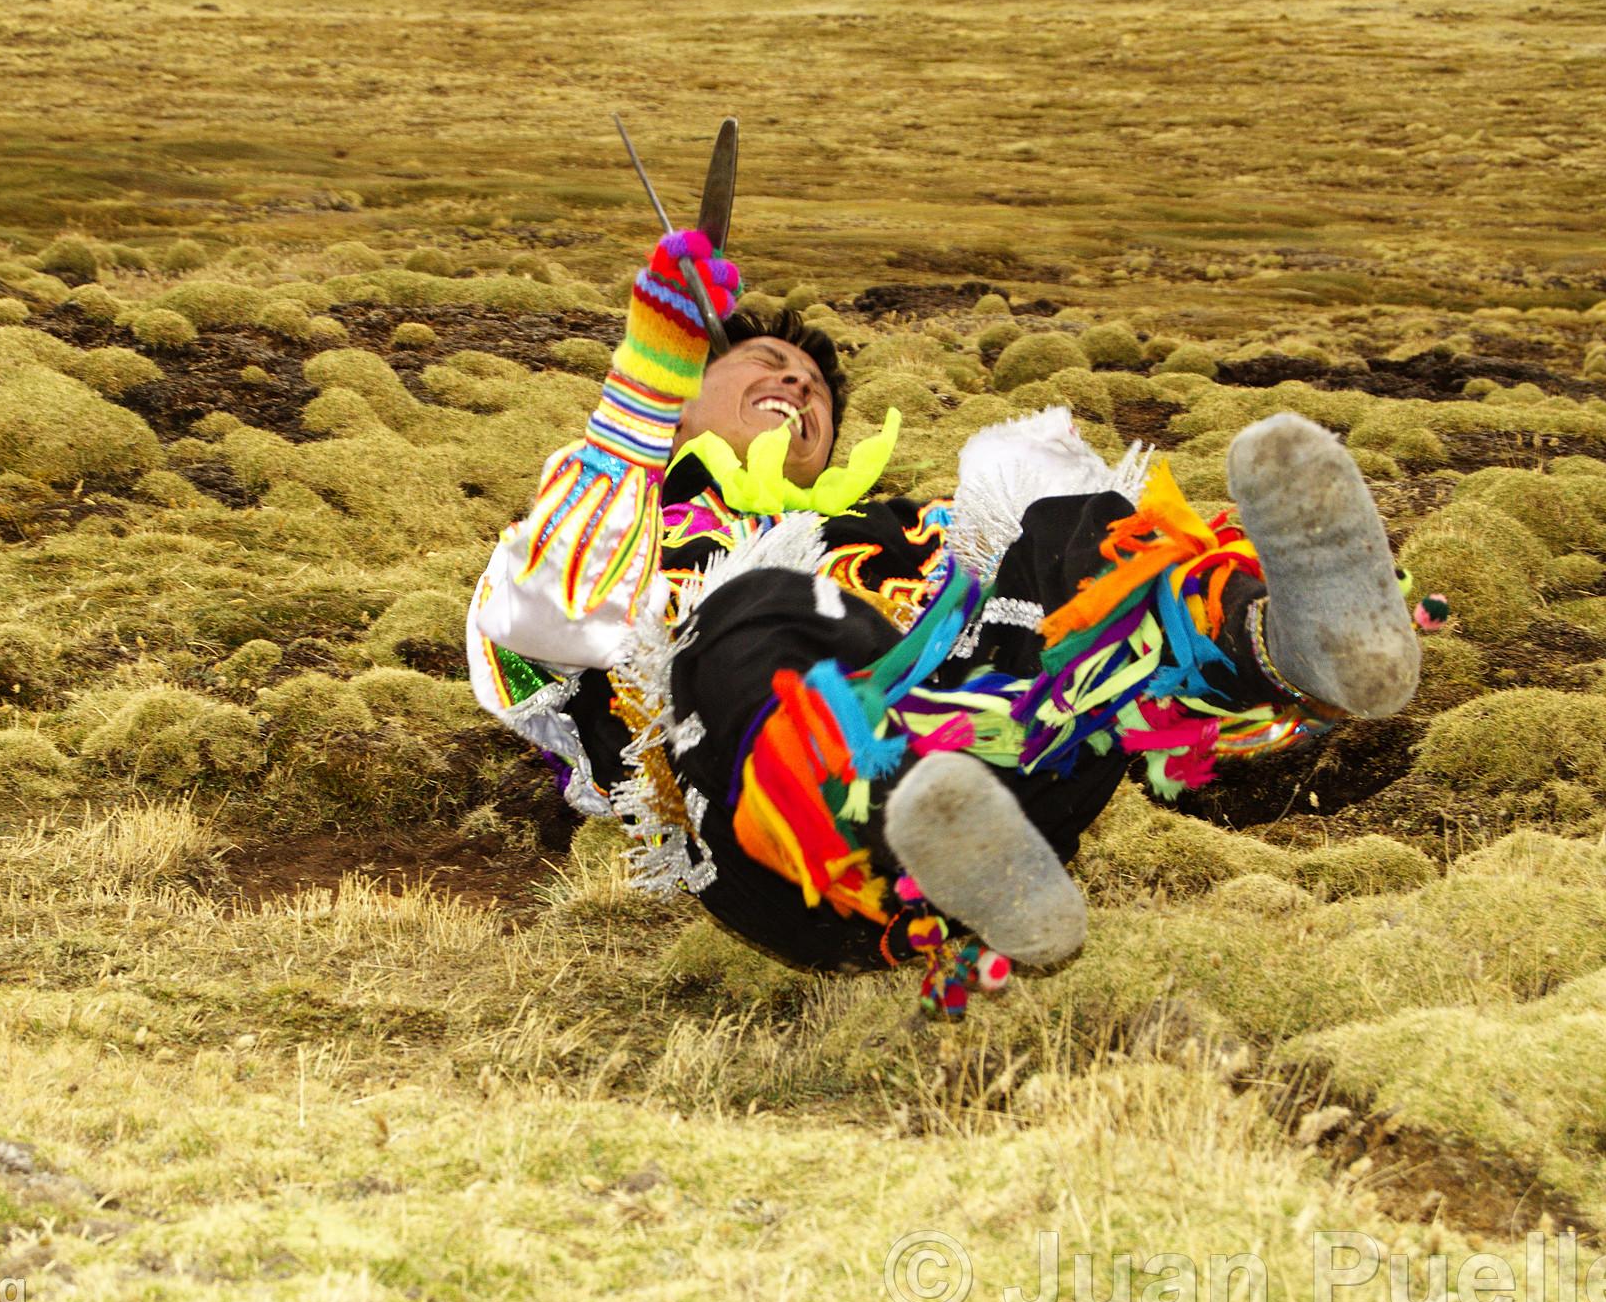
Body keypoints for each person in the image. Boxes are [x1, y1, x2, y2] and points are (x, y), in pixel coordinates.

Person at [466, 229, 1433, 1014]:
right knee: (764, 600)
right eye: (766, 363)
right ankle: (902, 821)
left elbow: (1055, 585)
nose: (799, 385)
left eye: (814, 389)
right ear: (678, 404)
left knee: (1071, 531)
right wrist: (644, 374)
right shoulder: (628, 515)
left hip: (1007, 803)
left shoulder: (916, 537)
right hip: (788, 871)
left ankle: (1287, 646)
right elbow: (542, 609)